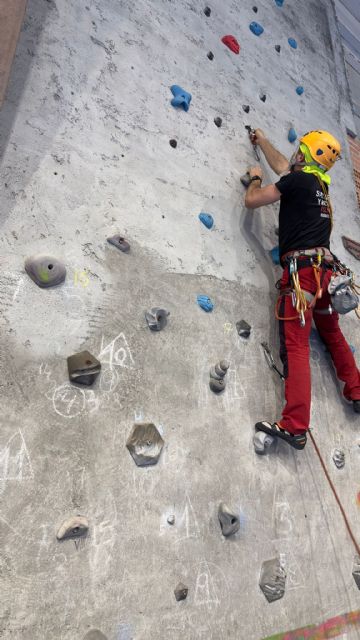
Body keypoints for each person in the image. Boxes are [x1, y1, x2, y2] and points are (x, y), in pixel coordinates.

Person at [244, 128, 360, 450]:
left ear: (304, 154)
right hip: (323, 274)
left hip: (301, 277)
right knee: (331, 332)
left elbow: (253, 200)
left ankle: (295, 425)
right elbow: (284, 166)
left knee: (296, 344)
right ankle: (357, 389)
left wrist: (254, 177)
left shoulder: (297, 181)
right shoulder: (318, 184)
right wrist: (264, 141)